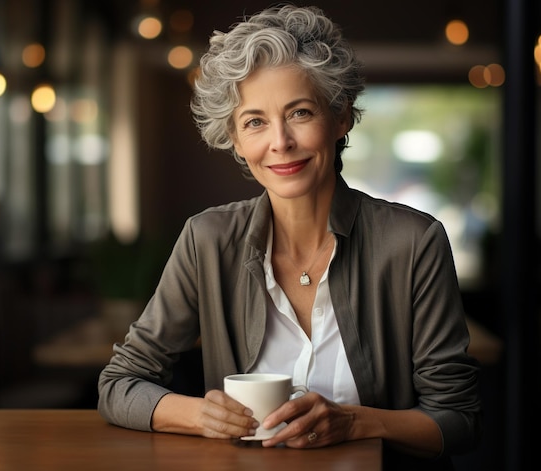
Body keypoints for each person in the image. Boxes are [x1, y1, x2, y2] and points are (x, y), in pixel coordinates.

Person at [98, 4, 482, 469]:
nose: (280, 141)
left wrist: (356, 422)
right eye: (255, 121)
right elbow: (120, 384)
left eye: (299, 112)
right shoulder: (208, 240)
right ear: (237, 141)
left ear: (340, 118)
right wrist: (202, 415)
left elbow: (458, 420)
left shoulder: (414, 242)